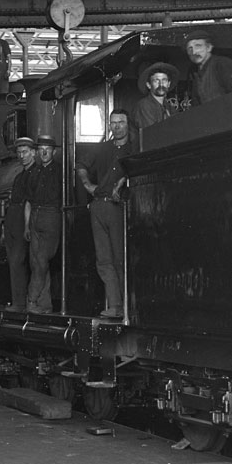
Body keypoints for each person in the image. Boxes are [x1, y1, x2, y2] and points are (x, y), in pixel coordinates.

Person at [75, 109, 136, 319]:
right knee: (104, 259)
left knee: (120, 258)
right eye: (113, 123)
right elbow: (81, 165)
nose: (117, 126)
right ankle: (115, 306)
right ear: (109, 125)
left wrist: (125, 180)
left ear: (128, 125)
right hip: (99, 205)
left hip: (119, 207)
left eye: (121, 122)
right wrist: (87, 184)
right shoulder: (102, 149)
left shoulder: (134, 148)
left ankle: (127, 307)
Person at [26, 134, 62, 314]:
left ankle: (32, 300)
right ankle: (45, 304)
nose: (44, 152)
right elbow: (29, 201)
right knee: (37, 263)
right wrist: (28, 225)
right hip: (36, 216)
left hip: (51, 216)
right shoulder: (35, 172)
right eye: (41, 150)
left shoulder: (60, 172)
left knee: (41, 261)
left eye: (47, 149)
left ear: (53, 152)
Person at [4, 136, 36, 311]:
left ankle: (20, 303)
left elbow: (29, 202)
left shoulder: (34, 175)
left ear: (33, 153)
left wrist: (27, 226)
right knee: (14, 261)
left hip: (23, 218)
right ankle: (18, 300)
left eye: (25, 152)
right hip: (13, 219)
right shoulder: (20, 176)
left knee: (18, 261)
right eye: (19, 152)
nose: (22, 156)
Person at [185, 29, 232, 105]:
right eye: (190, 49)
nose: (194, 52)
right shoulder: (195, 72)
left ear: (209, 47)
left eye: (198, 46)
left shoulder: (222, 64)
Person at [132, 62, 180, 139]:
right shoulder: (144, 106)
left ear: (169, 84)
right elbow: (153, 135)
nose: (161, 84)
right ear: (148, 85)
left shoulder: (171, 109)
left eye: (164, 80)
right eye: (156, 81)